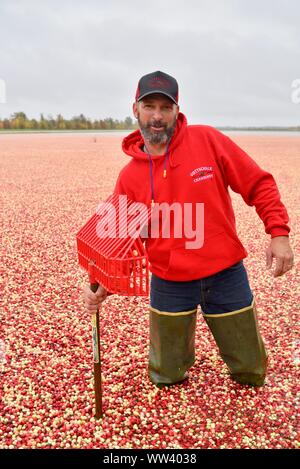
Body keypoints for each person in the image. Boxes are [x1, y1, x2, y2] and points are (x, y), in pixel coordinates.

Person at [84, 71, 294, 388]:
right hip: (169, 281)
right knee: (165, 376)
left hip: (225, 273)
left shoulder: (207, 141)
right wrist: (102, 284)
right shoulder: (129, 178)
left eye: (165, 108)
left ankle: (243, 359)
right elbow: (122, 241)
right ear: (135, 110)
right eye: (149, 106)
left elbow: (258, 183)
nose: (157, 116)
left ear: (177, 111)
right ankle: (176, 360)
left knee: (251, 373)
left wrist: (278, 233)